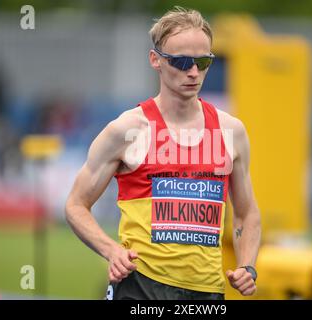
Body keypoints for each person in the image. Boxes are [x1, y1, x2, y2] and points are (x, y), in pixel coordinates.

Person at [65, 6, 261, 300]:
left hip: (207, 292)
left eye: (203, 61)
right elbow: (76, 205)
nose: (194, 72)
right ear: (155, 60)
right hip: (140, 287)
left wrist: (248, 266)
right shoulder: (127, 129)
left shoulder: (231, 131)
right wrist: (111, 250)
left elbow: (247, 214)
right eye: (181, 62)